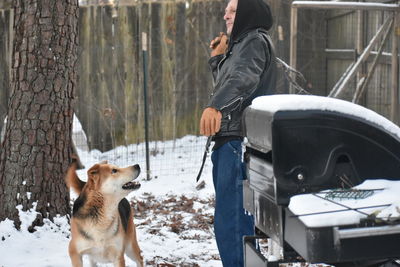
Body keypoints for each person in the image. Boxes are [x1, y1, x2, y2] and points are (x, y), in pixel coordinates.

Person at [199, 0, 277, 266]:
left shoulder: (254, 40)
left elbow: (242, 79)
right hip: (230, 142)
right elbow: (232, 79)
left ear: (248, 13)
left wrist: (214, 106)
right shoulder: (242, 45)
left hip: (236, 143)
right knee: (233, 220)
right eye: (226, 11)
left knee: (232, 222)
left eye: (233, 10)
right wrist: (219, 59)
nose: (226, 15)